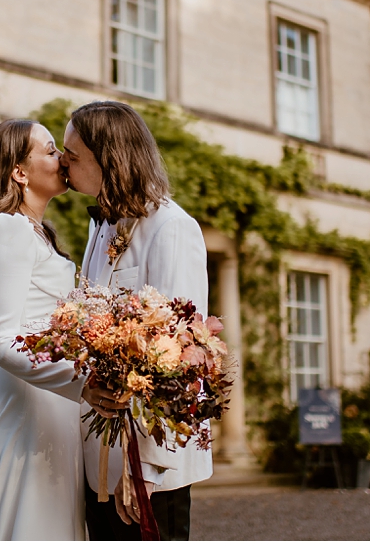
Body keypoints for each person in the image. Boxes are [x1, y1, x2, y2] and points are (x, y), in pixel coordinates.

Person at [0, 119, 122, 541]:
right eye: (51, 150)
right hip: (19, 421)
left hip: (49, 417)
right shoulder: (8, 230)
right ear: (19, 171)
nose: (63, 159)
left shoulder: (38, 234)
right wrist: (81, 380)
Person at [61, 100, 214, 541]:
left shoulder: (172, 227)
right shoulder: (102, 226)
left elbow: (178, 355)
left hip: (149, 469)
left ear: (109, 158)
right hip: (99, 458)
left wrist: (143, 470)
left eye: (74, 156)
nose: (64, 165)